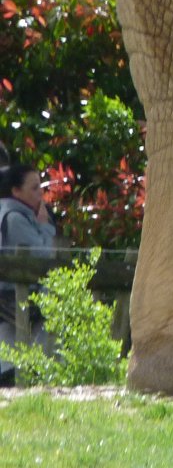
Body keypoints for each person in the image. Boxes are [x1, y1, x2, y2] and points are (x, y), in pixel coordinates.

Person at [1, 163, 59, 384]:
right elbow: (45, 257)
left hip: (15, 290)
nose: (41, 193)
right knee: (59, 308)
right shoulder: (14, 218)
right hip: (14, 293)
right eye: (35, 188)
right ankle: (40, 369)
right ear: (16, 191)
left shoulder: (19, 214)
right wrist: (45, 227)